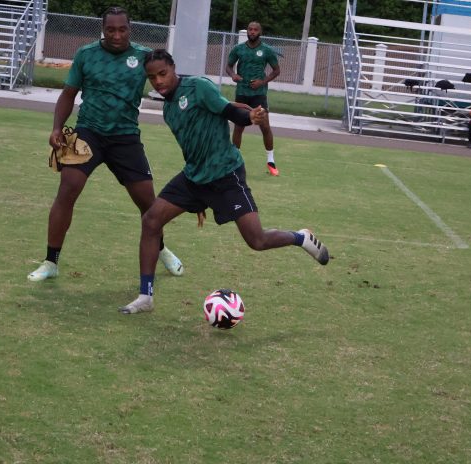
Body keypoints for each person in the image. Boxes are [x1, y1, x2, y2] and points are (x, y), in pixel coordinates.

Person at [119, 50, 329, 314]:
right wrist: (198, 199)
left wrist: (250, 118)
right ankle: (145, 296)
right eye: (152, 78)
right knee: (151, 220)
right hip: (194, 177)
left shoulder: (198, 87)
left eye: (163, 73)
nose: (158, 81)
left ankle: (300, 238)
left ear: (173, 68)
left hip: (226, 174)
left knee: (257, 240)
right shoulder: (169, 110)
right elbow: (191, 149)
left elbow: (230, 111)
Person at [28, 7, 183, 282]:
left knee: (148, 202)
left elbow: (166, 81)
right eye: (110, 29)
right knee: (67, 189)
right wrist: (55, 128)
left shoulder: (142, 56)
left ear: (130, 29)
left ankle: (161, 249)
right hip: (87, 131)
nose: (116, 35)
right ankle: (50, 262)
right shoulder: (85, 54)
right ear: (102, 29)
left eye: (122, 29)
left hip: (126, 136)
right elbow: (67, 95)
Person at [225, 21, 281, 176]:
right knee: (238, 127)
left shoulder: (266, 50)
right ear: (247, 32)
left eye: (255, 29)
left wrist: (262, 82)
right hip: (242, 93)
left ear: (260, 32)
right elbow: (228, 66)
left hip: (259, 94)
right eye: (250, 29)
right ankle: (234, 163)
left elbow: (277, 71)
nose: (252, 32)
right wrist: (233, 75)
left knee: (264, 126)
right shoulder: (238, 49)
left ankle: (271, 161)